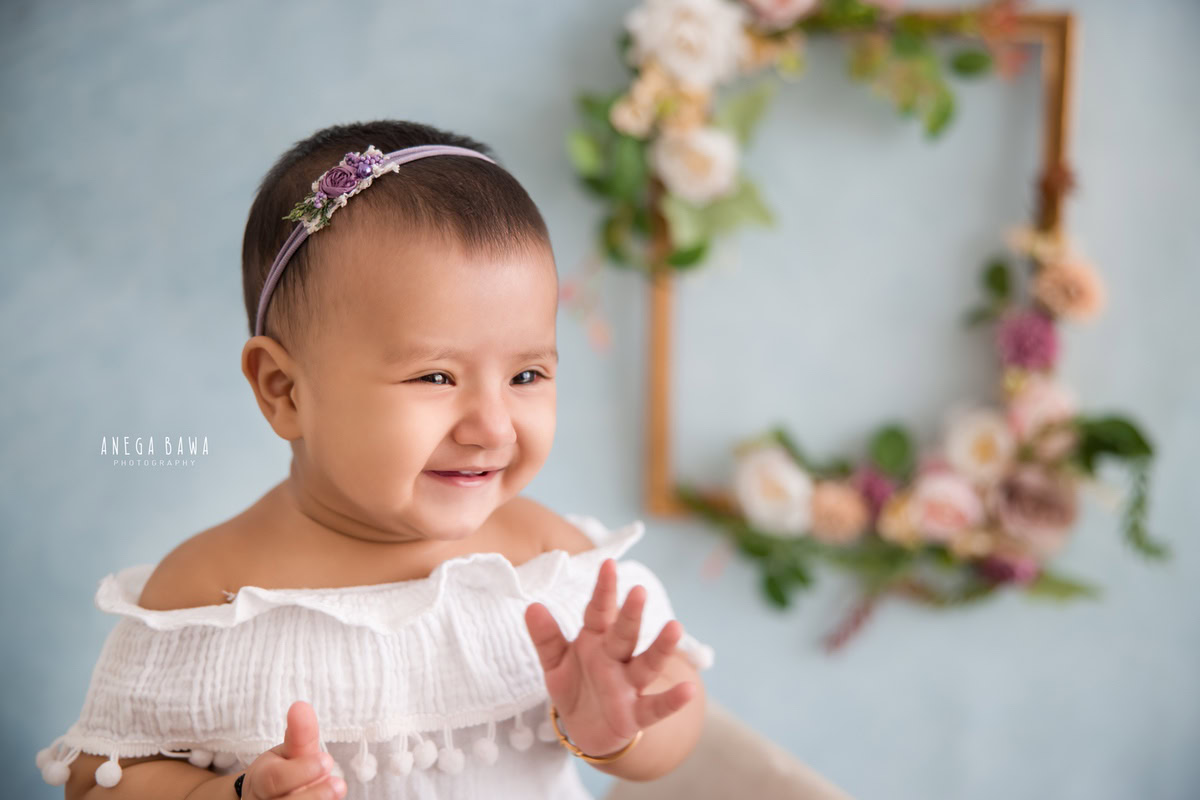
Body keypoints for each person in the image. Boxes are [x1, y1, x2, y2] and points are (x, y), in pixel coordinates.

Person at [36, 119, 715, 800]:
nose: (491, 426)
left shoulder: (547, 568)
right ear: (285, 391)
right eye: (436, 377)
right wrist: (230, 794)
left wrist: (615, 726)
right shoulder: (209, 596)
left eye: (527, 376)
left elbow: (674, 717)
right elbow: (99, 781)